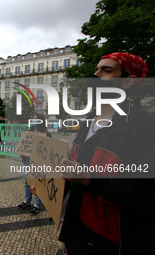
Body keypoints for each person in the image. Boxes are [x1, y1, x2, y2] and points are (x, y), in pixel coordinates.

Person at [58, 53, 155, 255]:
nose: (96, 75)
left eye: (107, 70)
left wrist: (90, 178)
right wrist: (51, 186)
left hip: (109, 241)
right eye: (96, 69)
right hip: (75, 230)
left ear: (128, 82)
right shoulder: (88, 121)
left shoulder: (143, 124)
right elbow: (76, 171)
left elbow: (143, 192)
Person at [17, 114, 51, 215]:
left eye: (36, 119)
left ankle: (36, 205)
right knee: (27, 180)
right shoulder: (28, 133)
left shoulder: (46, 134)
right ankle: (27, 201)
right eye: (33, 119)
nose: (34, 121)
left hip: (39, 162)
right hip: (27, 160)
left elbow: (49, 150)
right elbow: (22, 145)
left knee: (38, 183)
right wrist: (21, 152)